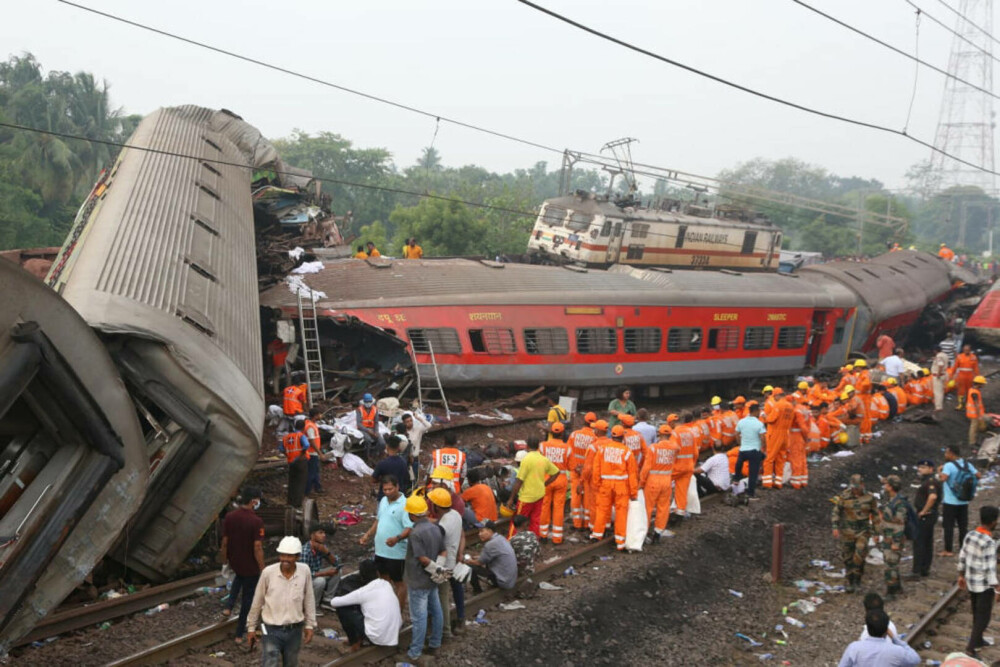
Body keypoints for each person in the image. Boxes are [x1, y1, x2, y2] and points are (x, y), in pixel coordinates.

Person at [246, 536, 316, 666]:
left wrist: (310, 625)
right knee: (270, 660)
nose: (285, 559)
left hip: (294, 629)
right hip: (269, 628)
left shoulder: (304, 571)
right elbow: (257, 600)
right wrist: (251, 627)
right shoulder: (268, 573)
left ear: (297, 557)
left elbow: (309, 599)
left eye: (290, 556)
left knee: (291, 662)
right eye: (283, 555)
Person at [400, 493, 445, 664]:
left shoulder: (416, 533)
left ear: (412, 514)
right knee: (436, 610)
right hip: (432, 580)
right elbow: (443, 551)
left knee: (419, 618)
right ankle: (435, 643)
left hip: (418, 580)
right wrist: (438, 570)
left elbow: (422, 558)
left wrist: (434, 568)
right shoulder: (435, 527)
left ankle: (415, 652)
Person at [220, 486, 265, 644]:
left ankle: (228, 606)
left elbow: (225, 542)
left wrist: (224, 559)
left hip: (235, 561)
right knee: (248, 600)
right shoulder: (256, 521)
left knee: (238, 578)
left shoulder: (230, 517)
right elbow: (257, 547)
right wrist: (262, 567)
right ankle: (239, 634)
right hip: (251, 565)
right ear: (253, 501)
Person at [359, 476, 412, 609]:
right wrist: (367, 534)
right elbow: (378, 520)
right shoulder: (383, 500)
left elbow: (409, 528)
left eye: (390, 489)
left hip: (396, 553)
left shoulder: (405, 504)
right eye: (385, 489)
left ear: (397, 487)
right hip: (381, 550)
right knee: (383, 580)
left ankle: (398, 612)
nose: (388, 492)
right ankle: (386, 609)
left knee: (399, 582)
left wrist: (397, 538)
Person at [325, 559, 401, 651]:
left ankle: (354, 641)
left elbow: (334, 602)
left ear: (361, 575)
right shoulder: (386, 584)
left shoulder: (364, 591)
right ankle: (360, 638)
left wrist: (352, 597)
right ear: (377, 573)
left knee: (343, 608)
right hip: (393, 634)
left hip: (377, 637)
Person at [958, 504, 1000, 657]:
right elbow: (990, 569)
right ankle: (970, 648)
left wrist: (961, 575)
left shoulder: (970, 534)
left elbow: (962, 556)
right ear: (994, 521)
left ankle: (979, 640)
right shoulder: (989, 542)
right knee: (983, 617)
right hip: (983, 586)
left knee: (976, 612)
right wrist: (997, 588)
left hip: (971, 581)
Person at [590, 424, 638, 550]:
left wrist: (597, 483)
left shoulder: (603, 449)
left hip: (605, 484)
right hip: (621, 486)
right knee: (621, 513)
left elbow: (596, 468)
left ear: (612, 436)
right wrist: (633, 493)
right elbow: (632, 474)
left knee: (602, 509)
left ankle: (597, 534)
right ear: (623, 437)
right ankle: (620, 542)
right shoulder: (627, 452)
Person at [427, 487, 465, 640]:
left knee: (441, 597)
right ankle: (444, 628)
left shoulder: (443, 526)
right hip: (452, 562)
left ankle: (445, 631)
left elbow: (436, 537)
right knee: (443, 595)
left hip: (444, 566)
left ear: (436, 506)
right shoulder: (455, 514)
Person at [832, 474, 880, 593]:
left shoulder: (870, 498)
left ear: (862, 485)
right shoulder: (844, 496)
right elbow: (836, 511)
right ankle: (850, 580)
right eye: (854, 487)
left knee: (859, 554)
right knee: (848, 557)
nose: (855, 490)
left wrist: (876, 532)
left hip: (862, 531)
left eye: (857, 487)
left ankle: (858, 580)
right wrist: (835, 526)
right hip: (847, 531)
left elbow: (875, 515)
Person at [505, 437, 560, 537]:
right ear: (538, 446)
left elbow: (519, 481)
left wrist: (511, 498)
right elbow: (556, 472)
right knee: (535, 520)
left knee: (517, 520)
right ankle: (533, 540)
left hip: (526, 497)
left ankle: (511, 540)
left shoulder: (526, 460)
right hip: (539, 495)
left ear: (527, 446)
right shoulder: (543, 459)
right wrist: (545, 484)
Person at [837, 609, 920, 666]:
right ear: (886, 631)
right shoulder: (897, 651)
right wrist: (896, 639)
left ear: (868, 628)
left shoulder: (854, 647)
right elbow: (915, 659)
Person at [641, 423, 679, 541]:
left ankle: (644, 533)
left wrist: (641, 483)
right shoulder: (674, 448)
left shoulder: (653, 448)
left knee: (648, 508)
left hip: (653, 481)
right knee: (663, 507)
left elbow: (646, 468)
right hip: (666, 481)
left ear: (660, 434)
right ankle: (658, 532)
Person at [940, 444, 977, 556]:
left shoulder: (948, 465)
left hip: (950, 502)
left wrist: (939, 472)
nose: (945, 454)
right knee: (963, 526)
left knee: (948, 526)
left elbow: (943, 478)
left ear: (951, 453)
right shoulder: (967, 464)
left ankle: (948, 550)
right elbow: (978, 475)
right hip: (964, 501)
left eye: (946, 452)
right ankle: (963, 548)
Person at [539, 422, 572, 544]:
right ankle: (557, 537)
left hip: (546, 479)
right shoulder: (567, 448)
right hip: (561, 479)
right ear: (562, 433)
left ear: (551, 433)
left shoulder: (543, 446)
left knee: (544, 506)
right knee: (558, 507)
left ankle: (542, 534)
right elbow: (570, 466)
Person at [909, 459, 941, 580]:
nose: (919, 469)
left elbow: (933, 496)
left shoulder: (930, 481)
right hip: (930, 515)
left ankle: (917, 571)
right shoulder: (929, 480)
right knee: (927, 542)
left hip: (925, 516)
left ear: (930, 469)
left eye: (922, 467)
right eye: (919, 467)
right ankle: (924, 569)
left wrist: (923, 511)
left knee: (919, 542)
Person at [467, 520, 518, 594]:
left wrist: (467, 560)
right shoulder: (500, 538)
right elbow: (491, 556)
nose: (479, 534)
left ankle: (477, 591)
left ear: (490, 531)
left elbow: (479, 563)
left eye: (482, 531)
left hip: (503, 582)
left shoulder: (490, 544)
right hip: (510, 579)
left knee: (469, 567)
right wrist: (479, 557)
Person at [568, 412, 597, 530]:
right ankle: (586, 523)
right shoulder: (595, 438)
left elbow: (569, 453)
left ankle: (577, 523)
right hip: (588, 472)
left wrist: (576, 467)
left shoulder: (574, 435)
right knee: (587, 498)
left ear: (584, 421)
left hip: (575, 470)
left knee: (575, 496)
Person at [879, 475, 907, 598]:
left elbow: (900, 524)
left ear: (890, 487)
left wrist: (896, 542)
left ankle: (891, 591)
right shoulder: (892, 500)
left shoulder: (899, 503)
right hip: (888, 536)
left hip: (894, 538)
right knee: (891, 563)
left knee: (890, 565)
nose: (884, 486)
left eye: (886, 484)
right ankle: (897, 587)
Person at [300, 524, 340, 609]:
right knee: (320, 581)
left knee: (337, 570)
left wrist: (327, 552)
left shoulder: (321, 547)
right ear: (312, 535)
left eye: (324, 533)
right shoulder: (305, 551)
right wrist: (325, 573)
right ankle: (313, 606)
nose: (324, 535)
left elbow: (336, 563)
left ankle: (327, 600)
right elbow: (304, 575)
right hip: (305, 580)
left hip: (316, 574)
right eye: (320, 533)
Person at [762, 388, 794, 489]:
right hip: (785, 434)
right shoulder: (790, 406)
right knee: (781, 458)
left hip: (776, 433)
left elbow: (771, 419)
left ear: (776, 395)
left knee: (769, 458)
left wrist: (764, 416)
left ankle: (767, 483)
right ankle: (778, 482)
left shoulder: (778, 405)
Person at [733, 402, 767, 498]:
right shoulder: (759, 424)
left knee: (739, 463)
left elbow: (736, 434)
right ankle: (750, 494)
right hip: (754, 451)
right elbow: (763, 438)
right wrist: (763, 448)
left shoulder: (741, 422)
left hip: (743, 449)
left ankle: (736, 478)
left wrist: (740, 444)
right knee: (753, 474)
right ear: (756, 411)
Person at [280, 417, 310, 507]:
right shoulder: (301, 436)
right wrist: (301, 454)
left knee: (292, 482)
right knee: (300, 482)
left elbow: (281, 448)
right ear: (303, 428)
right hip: (301, 461)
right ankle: (297, 504)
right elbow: (306, 445)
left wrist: (288, 455)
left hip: (291, 462)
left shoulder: (286, 437)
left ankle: (290, 502)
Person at [398, 411, 431, 485]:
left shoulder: (417, 429)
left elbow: (428, 426)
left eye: (411, 420)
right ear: (403, 422)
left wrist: (418, 418)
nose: (409, 423)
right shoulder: (402, 432)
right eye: (407, 421)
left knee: (414, 479)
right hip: (404, 458)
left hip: (414, 458)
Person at [950, 344, 980, 411]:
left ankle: (967, 403)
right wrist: (952, 375)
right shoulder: (959, 357)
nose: (966, 351)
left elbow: (976, 368)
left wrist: (978, 377)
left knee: (969, 391)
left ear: (970, 350)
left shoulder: (973, 357)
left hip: (970, 376)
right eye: (965, 350)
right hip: (961, 376)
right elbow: (955, 367)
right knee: (961, 391)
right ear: (963, 350)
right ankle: (960, 404)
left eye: (968, 350)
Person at [356, 393, 385, 461]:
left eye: (369, 402)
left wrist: (376, 431)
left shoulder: (375, 409)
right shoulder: (359, 409)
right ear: (364, 402)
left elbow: (376, 422)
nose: (368, 403)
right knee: (368, 440)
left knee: (382, 443)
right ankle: (367, 456)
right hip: (363, 429)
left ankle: (374, 454)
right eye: (366, 402)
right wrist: (368, 430)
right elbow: (359, 424)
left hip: (372, 428)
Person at [303, 408, 324, 496]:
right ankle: (307, 491)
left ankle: (317, 487)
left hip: (313, 453)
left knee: (315, 471)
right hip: (311, 453)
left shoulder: (312, 424)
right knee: (311, 473)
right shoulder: (310, 427)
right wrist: (320, 453)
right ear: (315, 416)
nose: (321, 416)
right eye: (319, 414)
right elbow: (311, 441)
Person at [967, 375, 988, 446]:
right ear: (979, 384)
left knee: (976, 427)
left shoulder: (973, 390)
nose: (983, 385)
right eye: (982, 384)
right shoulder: (974, 393)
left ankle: (974, 440)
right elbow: (976, 405)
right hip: (974, 414)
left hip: (975, 413)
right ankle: (972, 442)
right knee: (973, 428)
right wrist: (979, 416)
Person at [931, 342, 951, 412]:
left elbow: (940, 365)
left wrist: (938, 374)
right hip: (944, 374)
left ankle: (938, 407)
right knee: (941, 391)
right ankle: (939, 405)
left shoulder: (939, 356)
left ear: (935, 350)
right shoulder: (944, 355)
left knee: (937, 392)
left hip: (938, 375)